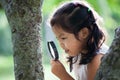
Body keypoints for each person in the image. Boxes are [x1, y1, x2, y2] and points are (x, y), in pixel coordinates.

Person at [49, 1, 109, 80]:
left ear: (84, 33)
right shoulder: (80, 54)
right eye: (58, 39)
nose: (60, 44)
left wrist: (63, 75)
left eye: (63, 38)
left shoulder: (97, 59)